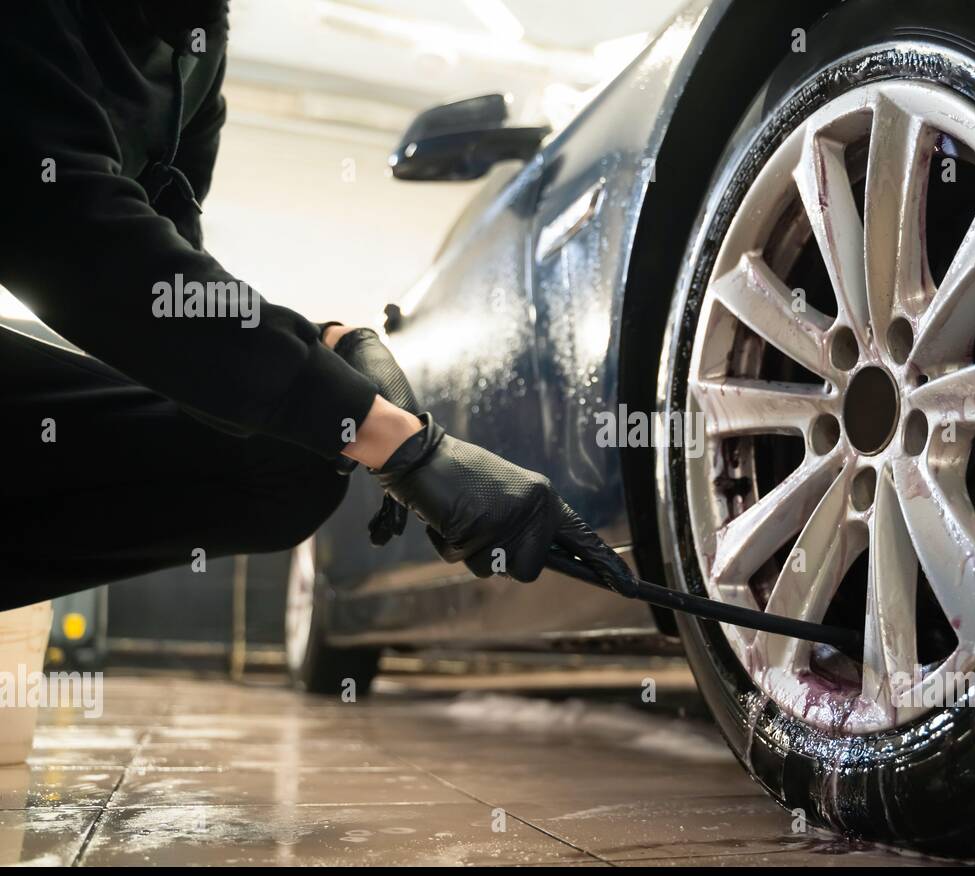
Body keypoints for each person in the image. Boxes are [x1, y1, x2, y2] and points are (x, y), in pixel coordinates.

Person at [0, 0, 633, 611]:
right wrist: (400, 443)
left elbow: (167, 296)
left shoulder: (195, 52)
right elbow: (71, 236)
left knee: (288, 462)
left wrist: (332, 347)